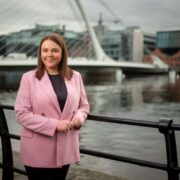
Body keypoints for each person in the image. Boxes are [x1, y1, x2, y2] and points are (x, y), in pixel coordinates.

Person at [15, 33, 90, 180]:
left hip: (65, 146)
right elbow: (21, 114)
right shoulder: (28, 78)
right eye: (45, 50)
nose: (49, 54)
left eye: (54, 50)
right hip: (38, 147)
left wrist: (79, 117)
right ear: (40, 53)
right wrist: (55, 125)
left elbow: (84, 105)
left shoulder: (75, 76)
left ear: (62, 53)